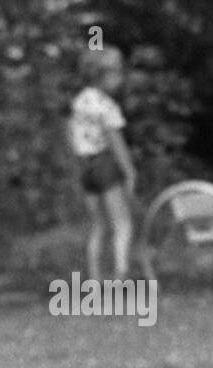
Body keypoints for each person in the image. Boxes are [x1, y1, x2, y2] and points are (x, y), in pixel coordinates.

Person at [69, 46, 136, 280]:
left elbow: (74, 136)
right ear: (103, 74)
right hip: (105, 164)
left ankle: (95, 279)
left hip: (86, 167)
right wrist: (129, 172)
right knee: (123, 223)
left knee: (98, 225)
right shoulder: (106, 106)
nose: (121, 78)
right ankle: (121, 274)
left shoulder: (80, 102)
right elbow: (116, 142)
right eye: (117, 72)